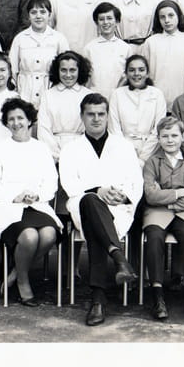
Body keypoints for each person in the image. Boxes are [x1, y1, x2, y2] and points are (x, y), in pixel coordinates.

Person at [59, 93, 142, 326]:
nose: (96, 119)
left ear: (107, 116)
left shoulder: (123, 146)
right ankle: (119, 259)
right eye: (91, 114)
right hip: (82, 204)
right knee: (90, 202)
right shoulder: (71, 149)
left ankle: (98, 299)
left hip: (118, 208)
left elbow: (136, 180)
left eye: (101, 114)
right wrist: (97, 190)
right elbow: (69, 183)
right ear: (82, 116)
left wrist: (123, 195)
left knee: (96, 224)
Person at [0, 99, 62, 306]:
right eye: (11, 119)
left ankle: (15, 272)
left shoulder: (41, 148)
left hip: (36, 204)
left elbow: (51, 181)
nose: (16, 123)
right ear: (6, 123)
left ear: (29, 121)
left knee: (49, 234)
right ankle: (23, 282)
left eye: (20, 118)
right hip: (7, 206)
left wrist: (37, 195)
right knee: (29, 237)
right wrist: (14, 196)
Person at [141, 116, 184, 321]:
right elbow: (150, 195)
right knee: (154, 238)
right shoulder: (152, 163)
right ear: (159, 138)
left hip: (183, 213)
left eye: (174, 135)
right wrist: (179, 193)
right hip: (156, 213)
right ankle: (157, 296)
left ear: (183, 137)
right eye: (165, 136)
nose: (170, 140)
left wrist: (169, 202)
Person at [9, 0, 70, 109]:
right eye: (33, 12)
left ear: (49, 15)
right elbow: (12, 70)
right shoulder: (20, 39)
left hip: (50, 91)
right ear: (28, 16)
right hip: (25, 92)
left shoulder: (59, 38)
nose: (38, 16)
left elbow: (67, 66)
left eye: (43, 12)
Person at [108, 55, 167, 168]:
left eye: (141, 70)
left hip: (151, 151)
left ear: (147, 73)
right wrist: (127, 153)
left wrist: (143, 157)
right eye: (132, 70)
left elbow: (159, 129)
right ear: (126, 73)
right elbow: (114, 129)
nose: (136, 74)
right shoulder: (117, 94)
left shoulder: (157, 94)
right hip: (122, 152)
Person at [37, 51, 93, 164]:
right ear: (57, 71)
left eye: (72, 70)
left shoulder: (88, 95)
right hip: (54, 154)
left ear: (80, 70)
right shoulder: (48, 95)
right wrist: (57, 155)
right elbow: (43, 129)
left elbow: (92, 128)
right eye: (63, 70)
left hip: (82, 151)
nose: (68, 75)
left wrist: (80, 152)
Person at [141, 0, 184, 110]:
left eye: (171, 15)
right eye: (162, 17)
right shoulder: (151, 42)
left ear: (178, 16)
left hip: (183, 99)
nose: (167, 20)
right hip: (155, 100)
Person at [83, 2, 132, 100]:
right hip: (95, 98)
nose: (105, 22)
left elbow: (127, 75)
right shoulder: (89, 48)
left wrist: (118, 93)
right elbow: (85, 77)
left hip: (119, 97)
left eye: (109, 18)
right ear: (97, 23)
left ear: (117, 22)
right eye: (101, 19)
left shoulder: (126, 48)